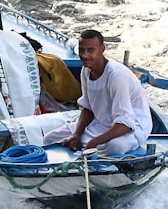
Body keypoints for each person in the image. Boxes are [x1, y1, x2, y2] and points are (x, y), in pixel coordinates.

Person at [43, 29, 152, 157]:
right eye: (81, 50)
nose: (84, 55)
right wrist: (77, 134)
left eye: (90, 50)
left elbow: (126, 124)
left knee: (114, 147)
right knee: (50, 139)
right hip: (101, 124)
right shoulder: (86, 70)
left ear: (102, 49)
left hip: (131, 128)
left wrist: (94, 142)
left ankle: (87, 163)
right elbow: (88, 108)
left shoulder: (117, 75)